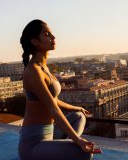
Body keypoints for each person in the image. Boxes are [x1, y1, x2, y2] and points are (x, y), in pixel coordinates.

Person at [18, 19, 95, 160]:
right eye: (47, 34)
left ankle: (64, 146)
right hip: (34, 144)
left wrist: (76, 107)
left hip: (50, 133)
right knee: (84, 154)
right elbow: (52, 108)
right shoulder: (33, 71)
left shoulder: (44, 68)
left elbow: (54, 101)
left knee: (79, 115)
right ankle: (69, 145)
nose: (53, 37)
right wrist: (79, 141)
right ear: (35, 41)